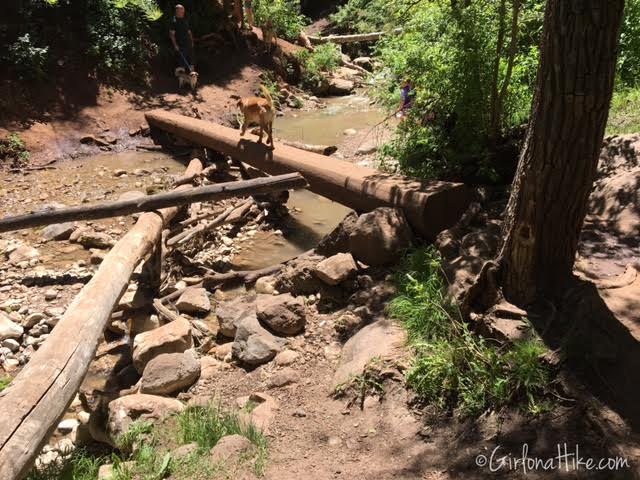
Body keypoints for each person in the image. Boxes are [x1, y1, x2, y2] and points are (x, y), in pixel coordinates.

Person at [169, 4, 194, 72]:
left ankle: (193, 80)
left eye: (183, 11)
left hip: (188, 43)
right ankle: (181, 80)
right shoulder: (174, 21)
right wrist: (175, 45)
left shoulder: (185, 19)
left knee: (191, 61)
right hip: (180, 45)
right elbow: (171, 34)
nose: (183, 13)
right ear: (177, 11)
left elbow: (189, 31)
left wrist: (192, 41)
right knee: (182, 62)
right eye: (181, 11)